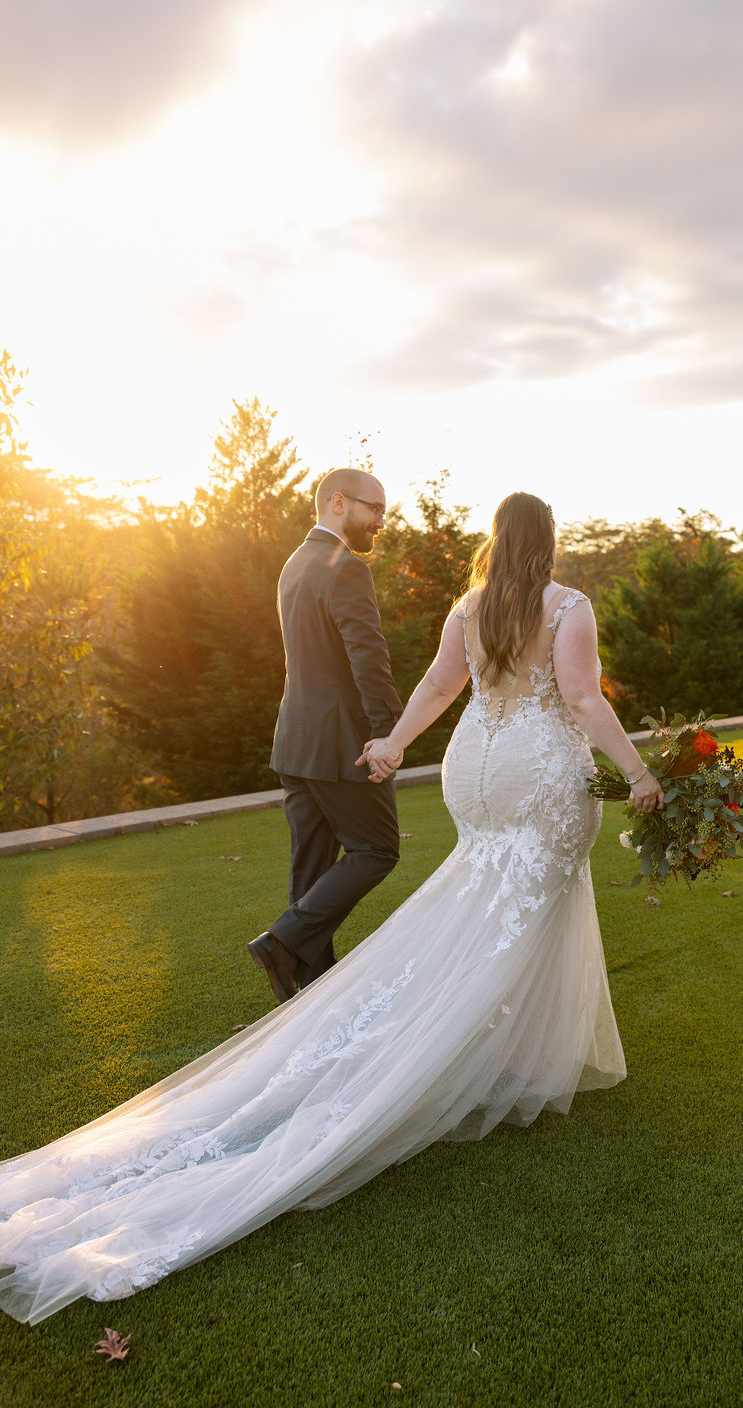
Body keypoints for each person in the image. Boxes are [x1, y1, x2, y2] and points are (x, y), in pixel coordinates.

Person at [0, 492, 663, 1325]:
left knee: (482, 901)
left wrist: (394, 745)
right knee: (524, 908)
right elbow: (583, 698)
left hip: (475, 770)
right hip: (538, 773)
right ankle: (481, 1057)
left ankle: (500, 1053)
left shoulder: (470, 604)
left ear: (498, 540)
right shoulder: (567, 606)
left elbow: (435, 685)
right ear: (551, 541)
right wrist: (638, 771)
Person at [248, 467, 403, 1001]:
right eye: (372, 509)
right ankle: (282, 941)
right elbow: (369, 658)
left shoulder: (295, 563)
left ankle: (310, 1000)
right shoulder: (345, 568)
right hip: (343, 744)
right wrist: (389, 733)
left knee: (311, 871)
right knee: (378, 849)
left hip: (294, 741)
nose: (379, 522)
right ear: (337, 503)